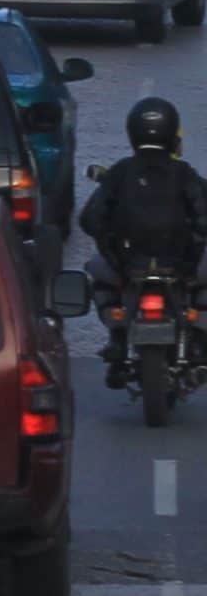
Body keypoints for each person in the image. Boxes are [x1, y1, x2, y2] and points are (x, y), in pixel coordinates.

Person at [85, 98, 207, 386]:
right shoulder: (185, 173)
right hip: (181, 267)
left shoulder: (120, 172)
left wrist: (112, 246)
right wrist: (192, 250)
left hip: (129, 267)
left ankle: (116, 339)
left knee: (97, 272)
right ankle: (200, 342)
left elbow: (90, 219)